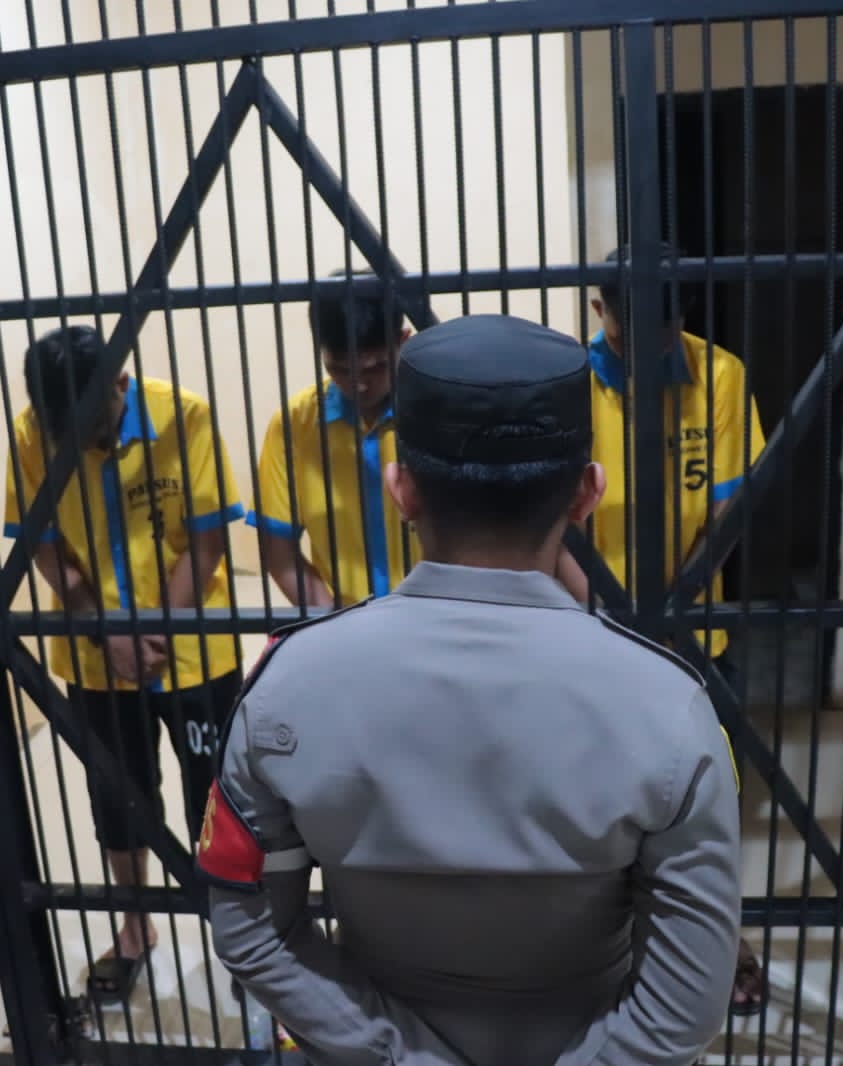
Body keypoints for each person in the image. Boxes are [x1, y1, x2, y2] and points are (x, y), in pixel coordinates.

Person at [200, 314, 743, 1065]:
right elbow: (685, 1007)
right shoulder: (669, 710)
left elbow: (253, 932)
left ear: (400, 489)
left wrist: (397, 1055)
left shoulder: (284, 690)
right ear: (587, 492)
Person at [2, 324, 246, 1004]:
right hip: (94, 653)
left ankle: (235, 931)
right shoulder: (31, 433)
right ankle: (136, 928)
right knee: (117, 797)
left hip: (195, 646)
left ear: (120, 382)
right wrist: (101, 625)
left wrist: (151, 628)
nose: (86, 441)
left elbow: (206, 543)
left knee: (217, 796)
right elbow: (42, 543)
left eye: (96, 423)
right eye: (69, 432)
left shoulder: (183, 416)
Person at [556, 244, 769, 1015]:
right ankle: (607, 950)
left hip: (693, 634)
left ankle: (720, 938)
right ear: (597, 312)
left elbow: (727, 511)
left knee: (706, 808)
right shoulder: (564, 389)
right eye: (628, 337)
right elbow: (550, 521)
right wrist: (610, 619)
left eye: (664, 336)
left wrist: (675, 608)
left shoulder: (719, 375)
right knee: (596, 809)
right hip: (588, 634)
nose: (649, 356)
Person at [248, 270, 419, 606]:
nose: (359, 384)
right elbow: (279, 555)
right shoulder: (294, 425)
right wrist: (333, 623)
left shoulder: (440, 413)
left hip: (438, 619)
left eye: (375, 367)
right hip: (343, 619)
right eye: (339, 369)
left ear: (403, 340)